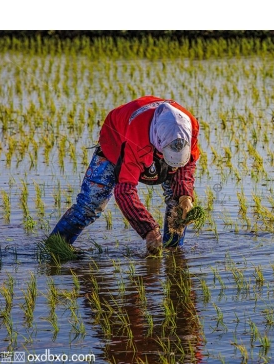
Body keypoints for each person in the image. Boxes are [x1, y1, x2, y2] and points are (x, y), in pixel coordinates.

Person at [50, 96, 200, 253]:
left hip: (159, 143)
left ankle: (172, 251)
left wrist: (185, 196)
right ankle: (55, 246)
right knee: (90, 205)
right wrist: (148, 229)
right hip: (117, 140)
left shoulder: (190, 125)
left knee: (178, 204)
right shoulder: (137, 138)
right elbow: (124, 191)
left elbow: (187, 163)